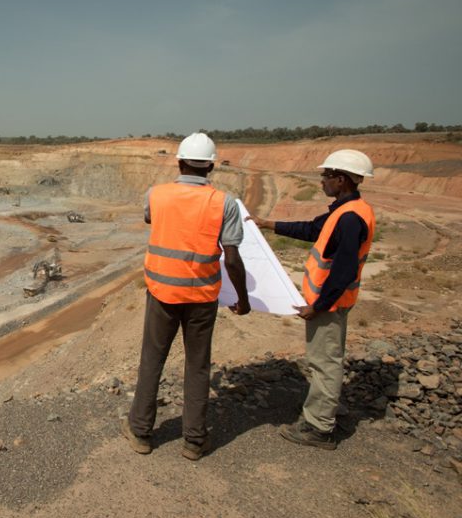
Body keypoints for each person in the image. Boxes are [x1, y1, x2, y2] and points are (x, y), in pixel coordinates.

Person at [121, 132, 251, 461]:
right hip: (202, 299)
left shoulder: (157, 194)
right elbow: (233, 258)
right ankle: (194, 441)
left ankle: (141, 433)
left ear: (179, 162)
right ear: (211, 167)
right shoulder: (225, 203)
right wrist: (243, 298)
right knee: (197, 367)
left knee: (152, 360)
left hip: (162, 293)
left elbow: (151, 217)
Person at [247, 149, 375, 450]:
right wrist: (268, 224)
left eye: (327, 176)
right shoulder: (345, 210)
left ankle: (318, 428)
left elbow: (341, 272)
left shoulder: (350, 219)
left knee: (325, 362)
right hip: (333, 301)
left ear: (341, 180)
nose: (322, 181)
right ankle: (324, 412)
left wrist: (317, 306)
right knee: (326, 359)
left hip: (329, 303)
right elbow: (312, 229)